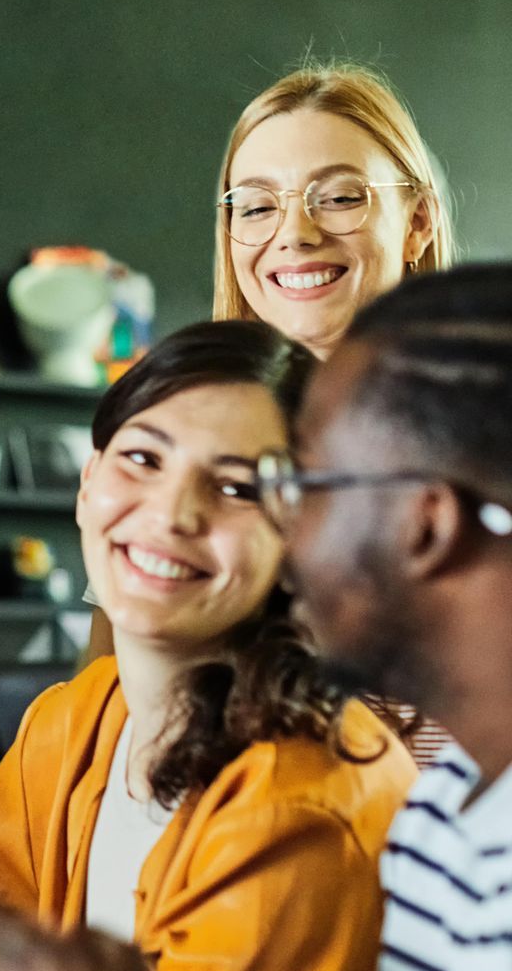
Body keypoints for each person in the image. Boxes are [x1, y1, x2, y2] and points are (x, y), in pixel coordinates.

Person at [0, 264, 512, 971]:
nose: (292, 531)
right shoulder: (444, 816)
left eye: (302, 488)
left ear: (424, 526)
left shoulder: (325, 799)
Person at [0, 320, 416, 971]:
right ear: (88, 485)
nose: (171, 513)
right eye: (143, 458)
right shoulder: (83, 714)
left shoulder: (299, 807)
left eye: (237, 486)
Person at [79, 63, 456, 724]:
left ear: (418, 219)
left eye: (340, 198)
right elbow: (104, 715)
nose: (295, 234)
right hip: (210, 819)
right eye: (256, 206)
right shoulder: (175, 433)